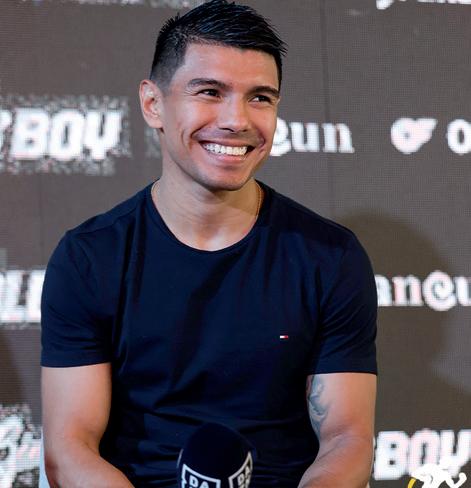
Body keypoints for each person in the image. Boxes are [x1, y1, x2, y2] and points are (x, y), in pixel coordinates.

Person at [40, 1, 377, 487]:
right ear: (153, 104)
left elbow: (347, 437)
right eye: (210, 92)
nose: (237, 120)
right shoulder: (89, 258)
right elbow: (69, 448)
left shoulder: (330, 257)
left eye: (260, 98)